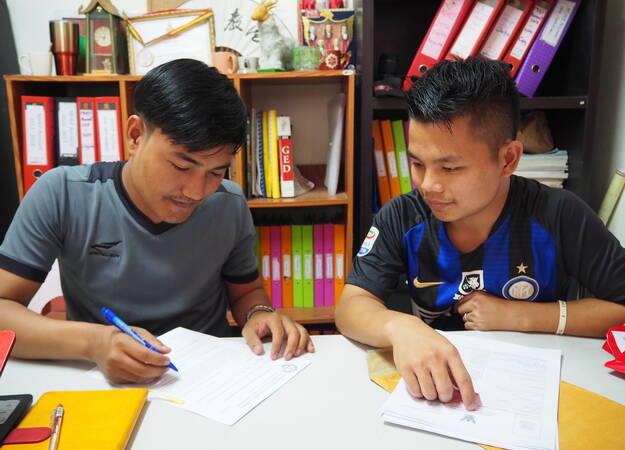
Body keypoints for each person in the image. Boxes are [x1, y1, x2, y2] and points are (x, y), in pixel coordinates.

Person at [335, 57, 625, 410]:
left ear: (508, 159)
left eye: (451, 167)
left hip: (536, 394)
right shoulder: (402, 215)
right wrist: (401, 328)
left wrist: (521, 316)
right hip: (435, 399)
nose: (428, 185)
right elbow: (351, 306)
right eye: (417, 163)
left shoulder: (558, 213)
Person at [0, 59, 313, 384]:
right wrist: (95, 343)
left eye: (216, 172)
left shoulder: (228, 204)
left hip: (208, 381)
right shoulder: (62, 194)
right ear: (135, 136)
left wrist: (259, 314)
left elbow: (247, 291)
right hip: (99, 379)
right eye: (181, 166)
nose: (196, 191)